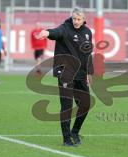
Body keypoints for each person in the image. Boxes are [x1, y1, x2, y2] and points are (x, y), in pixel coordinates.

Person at [36, 7, 94, 147]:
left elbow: (88, 54)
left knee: (85, 104)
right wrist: (46, 32)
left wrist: (89, 72)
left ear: (83, 19)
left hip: (81, 74)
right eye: (74, 18)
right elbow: (55, 32)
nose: (76, 21)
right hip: (66, 73)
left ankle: (75, 132)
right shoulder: (65, 28)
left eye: (79, 19)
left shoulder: (87, 32)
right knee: (67, 107)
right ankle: (66, 139)